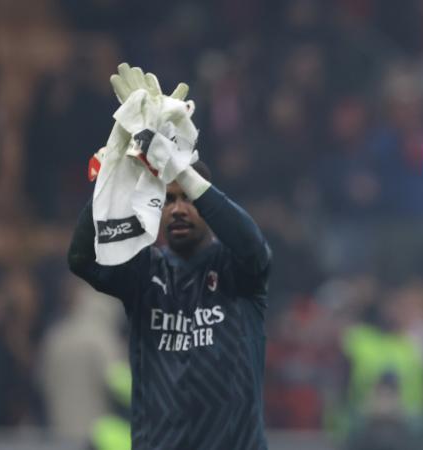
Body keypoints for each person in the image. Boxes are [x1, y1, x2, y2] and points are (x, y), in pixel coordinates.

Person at [68, 67, 272, 450]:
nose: (178, 209)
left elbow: (252, 245)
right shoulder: (146, 274)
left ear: (207, 207)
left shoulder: (236, 271)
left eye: (189, 199)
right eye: (169, 198)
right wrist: (116, 160)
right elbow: (81, 258)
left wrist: (177, 167)